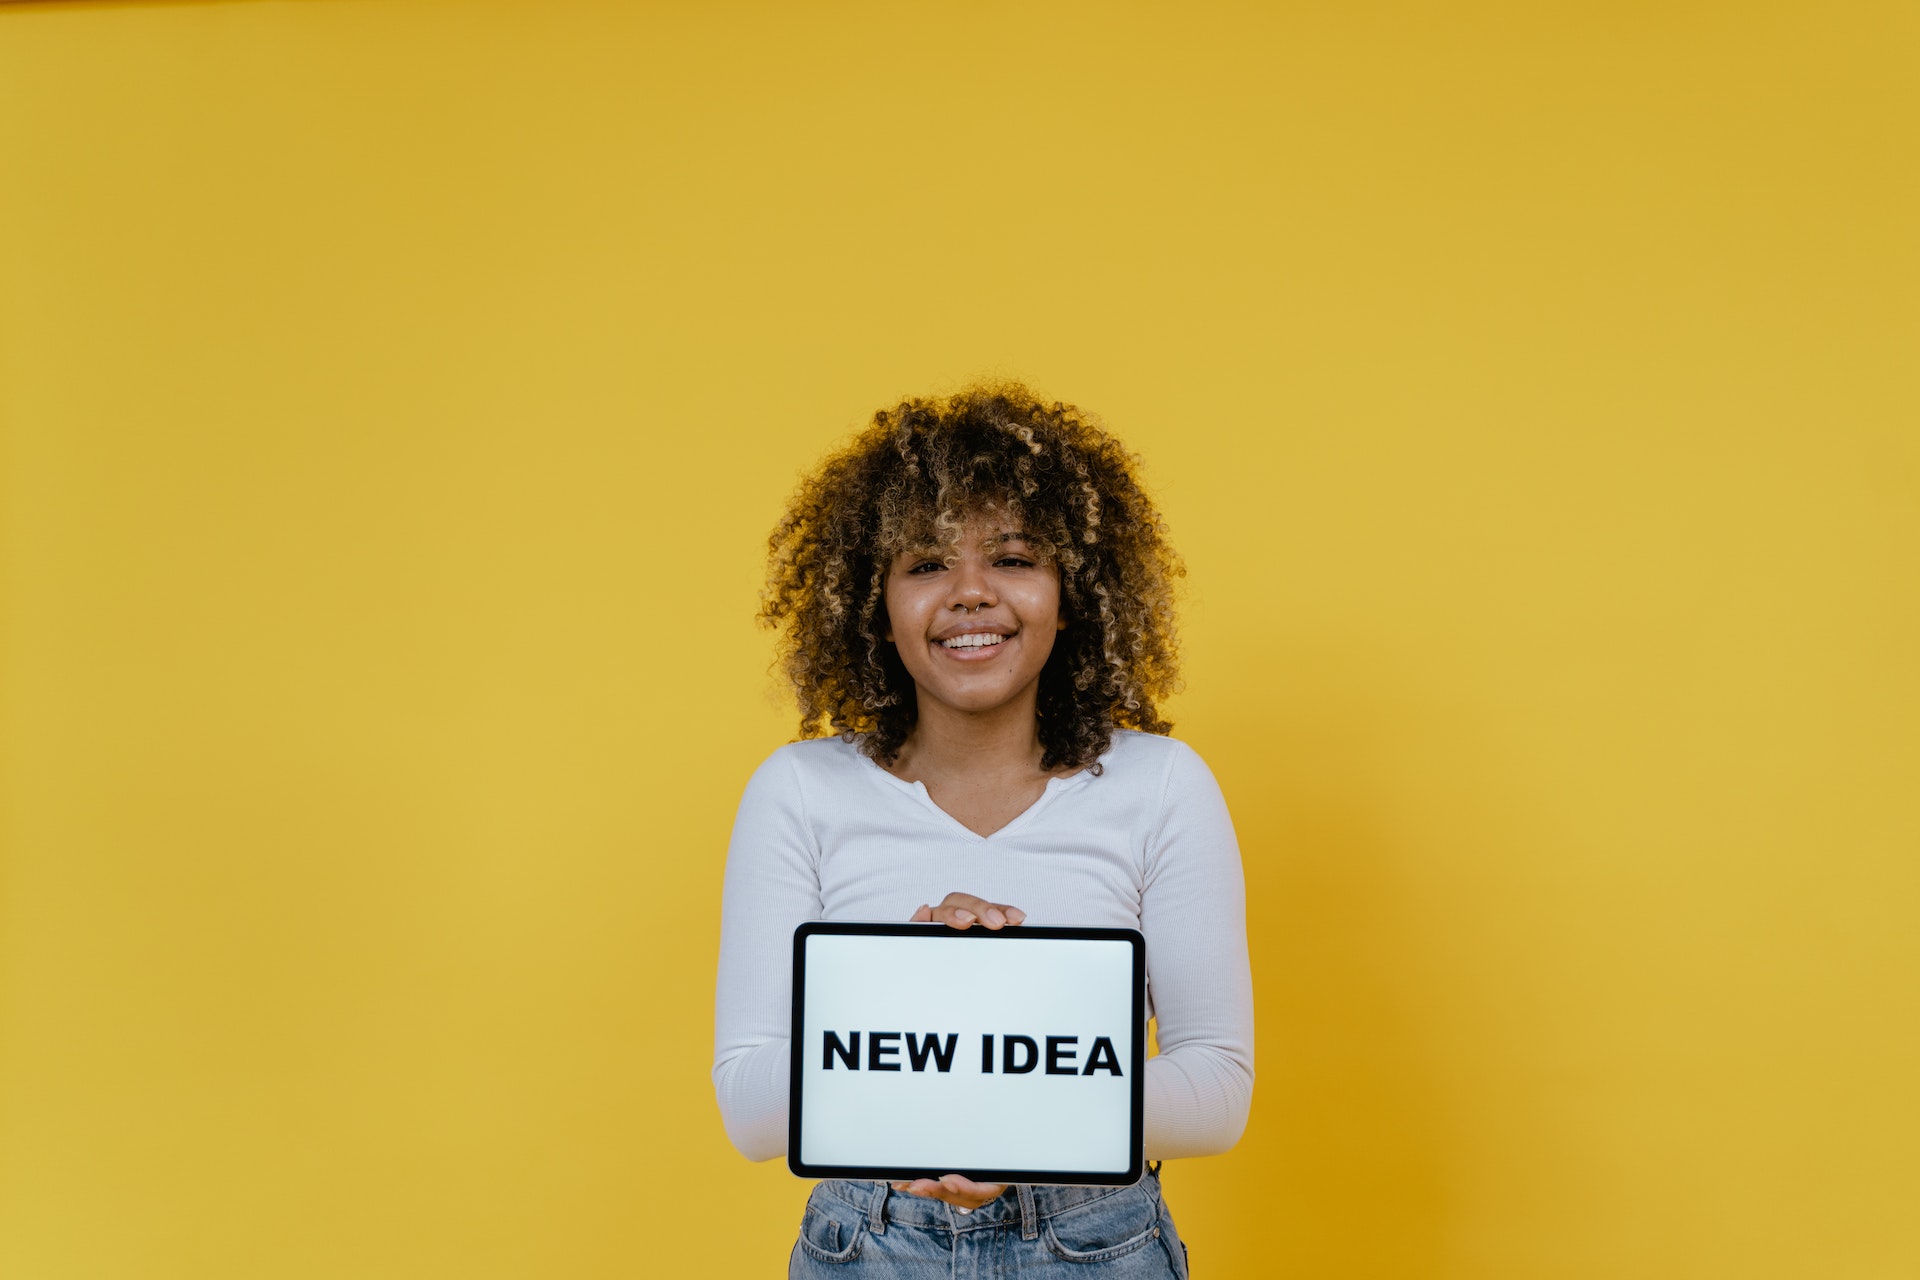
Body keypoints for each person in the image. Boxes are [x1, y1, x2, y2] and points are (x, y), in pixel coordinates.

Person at [713, 383, 1253, 1277]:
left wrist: (1003, 1107)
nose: (970, 594)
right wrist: (916, 982)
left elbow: (1217, 1090)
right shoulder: (800, 792)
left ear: (1069, 594)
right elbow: (749, 1108)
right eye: (926, 564)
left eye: (1012, 558)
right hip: (869, 1245)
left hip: (1096, 1242)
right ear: (877, 606)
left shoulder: (1161, 786)